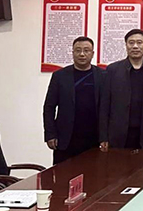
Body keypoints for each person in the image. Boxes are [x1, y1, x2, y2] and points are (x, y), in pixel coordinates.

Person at [43, 36, 104, 164]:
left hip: (94, 138)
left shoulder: (102, 75)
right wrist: (50, 134)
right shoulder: (60, 76)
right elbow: (49, 107)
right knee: (62, 174)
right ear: (72, 52)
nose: (82, 54)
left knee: (93, 174)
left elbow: (108, 108)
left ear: (93, 53)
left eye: (86, 50)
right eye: (78, 50)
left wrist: (106, 137)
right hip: (65, 138)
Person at [99, 29, 143, 151]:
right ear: (126, 45)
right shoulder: (113, 70)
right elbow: (104, 105)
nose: (135, 46)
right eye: (131, 43)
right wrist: (103, 136)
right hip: (118, 134)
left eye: (139, 42)